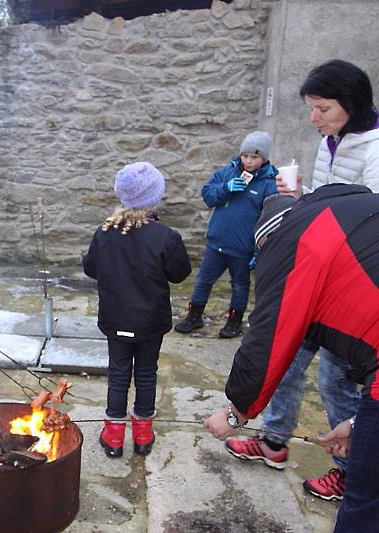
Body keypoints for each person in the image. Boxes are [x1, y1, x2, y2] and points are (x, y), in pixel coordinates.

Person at [224, 59, 378, 502]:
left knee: (336, 381)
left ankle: (350, 469)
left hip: (345, 285)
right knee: (287, 359)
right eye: (311, 108)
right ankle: (273, 441)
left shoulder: (375, 148)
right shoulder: (331, 141)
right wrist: (302, 199)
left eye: (322, 108)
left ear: (351, 103)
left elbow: (366, 217)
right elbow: (328, 203)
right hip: (315, 269)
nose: (314, 118)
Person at [203, 185, 379, 532]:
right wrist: (360, 426)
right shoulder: (341, 211)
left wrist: (235, 413)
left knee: (365, 503)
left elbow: (269, 340)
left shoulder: (293, 242)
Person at [82, 162, 191, 457]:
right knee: (146, 373)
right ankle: (143, 436)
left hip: (115, 318)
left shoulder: (104, 232)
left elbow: (91, 268)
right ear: (155, 198)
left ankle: (114, 437)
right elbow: (180, 273)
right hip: (149, 322)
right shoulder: (165, 236)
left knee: (118, 374)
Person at [174, 132, 278, 338]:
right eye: (245, 156)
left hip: (242, 248)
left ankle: (234, 321)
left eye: (254, 157)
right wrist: (225, 189)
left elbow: (269, 218)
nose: (248, 161)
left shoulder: (269, 183)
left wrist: (258, 251)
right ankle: (194, 316)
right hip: (216, 242)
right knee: (203, 280)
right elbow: (208, 196)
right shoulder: (226, 174)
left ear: (264, 159)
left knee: (239, 285)